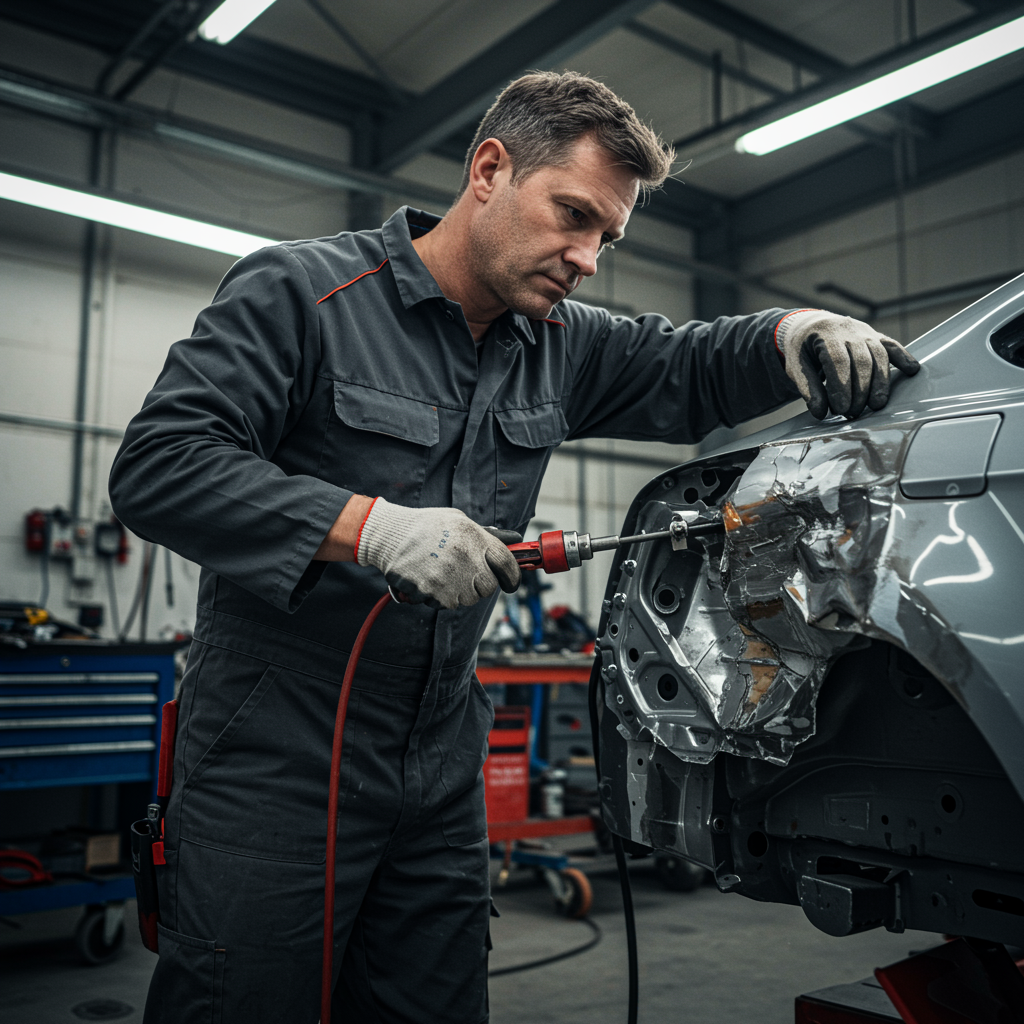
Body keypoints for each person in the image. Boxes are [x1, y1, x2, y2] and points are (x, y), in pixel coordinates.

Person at [109, 71, 919, 1023]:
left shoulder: (558, 343)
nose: (585, 258)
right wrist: (373, 528)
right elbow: (160, 466)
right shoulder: (305, 293)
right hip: (272, 755)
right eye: (572, 215)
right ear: (489, 169)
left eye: (607, 239)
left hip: (441, 754)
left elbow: (689, 362)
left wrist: (793, 328)